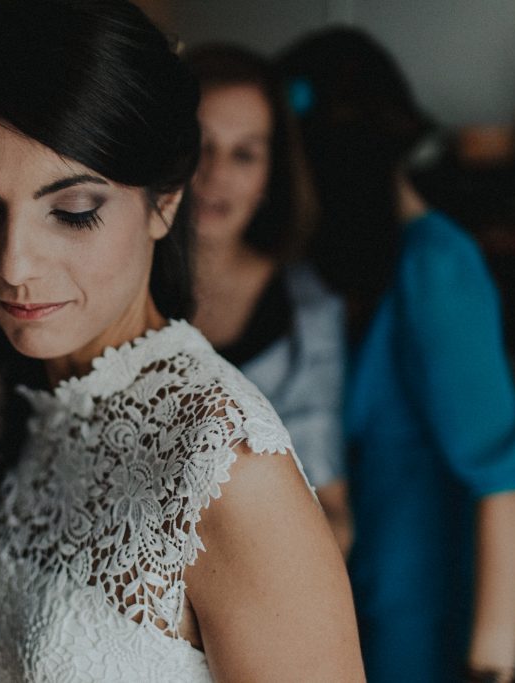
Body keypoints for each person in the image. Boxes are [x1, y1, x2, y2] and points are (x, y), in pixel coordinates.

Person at [0, 1, 364, 681]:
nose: (13, 265)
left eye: (71, 212)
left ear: (164, 201)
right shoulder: (35, 399)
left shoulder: (228, 468)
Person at [277, 27, 515, 683]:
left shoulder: (436, 267)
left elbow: (506, 488)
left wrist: (490, 670)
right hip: (343, 603)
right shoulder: (331, 271)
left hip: (412, 620)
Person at [185, 44, 352, 555]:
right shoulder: (109, 283)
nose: (215, 173)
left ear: (269, 176)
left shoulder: (309, 315)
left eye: (244, 153)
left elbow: (334, 517)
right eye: (198, 144)